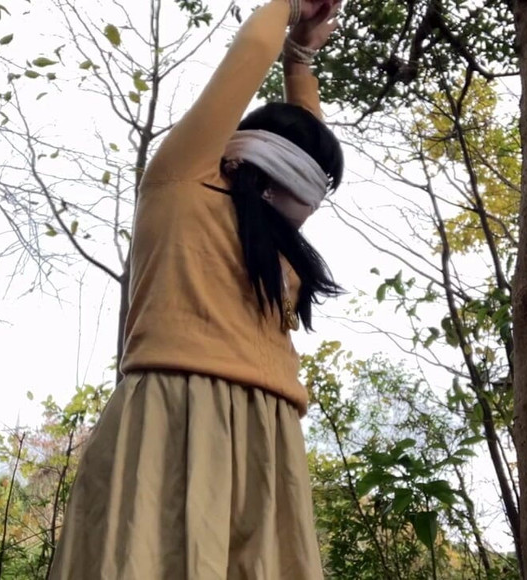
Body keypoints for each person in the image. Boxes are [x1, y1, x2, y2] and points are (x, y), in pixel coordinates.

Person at [49, 1, 344, 578]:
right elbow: (247, 58)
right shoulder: (182, 182)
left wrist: (301, 59)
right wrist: (290, 7)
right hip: (173, 413)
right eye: (312, 184)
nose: (315, 202)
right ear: (276, 168)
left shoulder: (275, 242)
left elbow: (308, 139)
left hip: (268, 433)